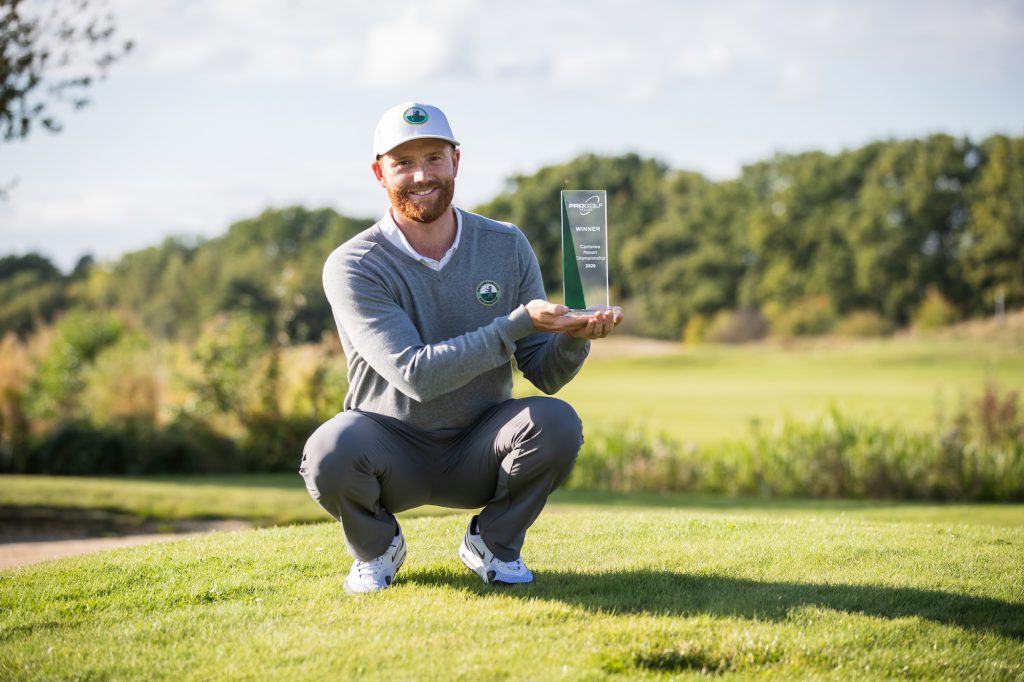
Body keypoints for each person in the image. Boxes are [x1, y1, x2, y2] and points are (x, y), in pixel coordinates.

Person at [299, 101, 624, 594]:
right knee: (328, 451)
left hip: (480, 444)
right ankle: (377, 548)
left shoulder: (506, 244)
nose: (420, 174)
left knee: (556, 422)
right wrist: (514, 324)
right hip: (391, 447)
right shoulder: (353, 264)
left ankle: (493, 543)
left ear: (456, 161)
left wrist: (574, 340)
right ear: (379, 173)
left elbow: (544, 373)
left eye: (433, 158)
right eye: (403, 162)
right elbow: (416, 375)